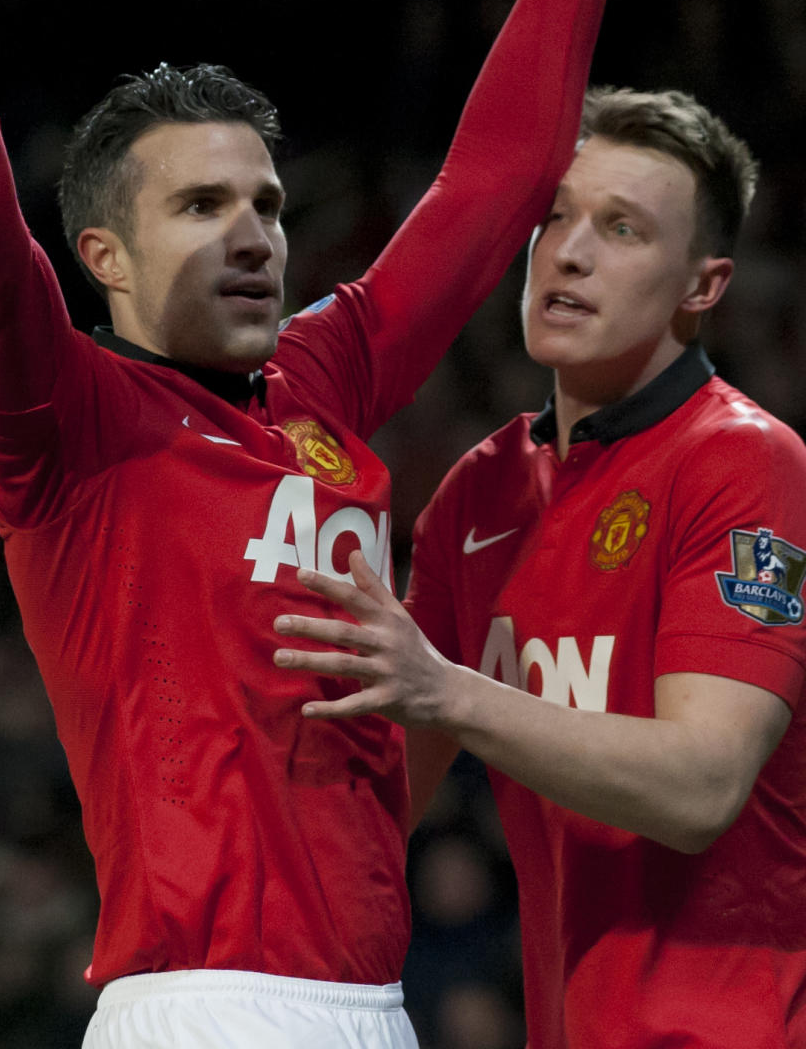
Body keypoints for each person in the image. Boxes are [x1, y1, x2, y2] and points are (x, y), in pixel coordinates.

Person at [0, 0, 732, 1049]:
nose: (253, 234)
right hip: (206, 1004)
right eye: (202, 205)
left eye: (271, 205)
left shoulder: (319, 382)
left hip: (368, 1002)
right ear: (101, 253)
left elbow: (493, 184)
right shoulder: (71, 420)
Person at [274, 83, 806, 1047]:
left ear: (704, 285)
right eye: (554, 216)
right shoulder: (478, 496)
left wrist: (448, 690)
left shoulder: (747, 460)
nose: (568, 250)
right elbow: (380, 807)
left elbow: (701, 787)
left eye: (623, 229)